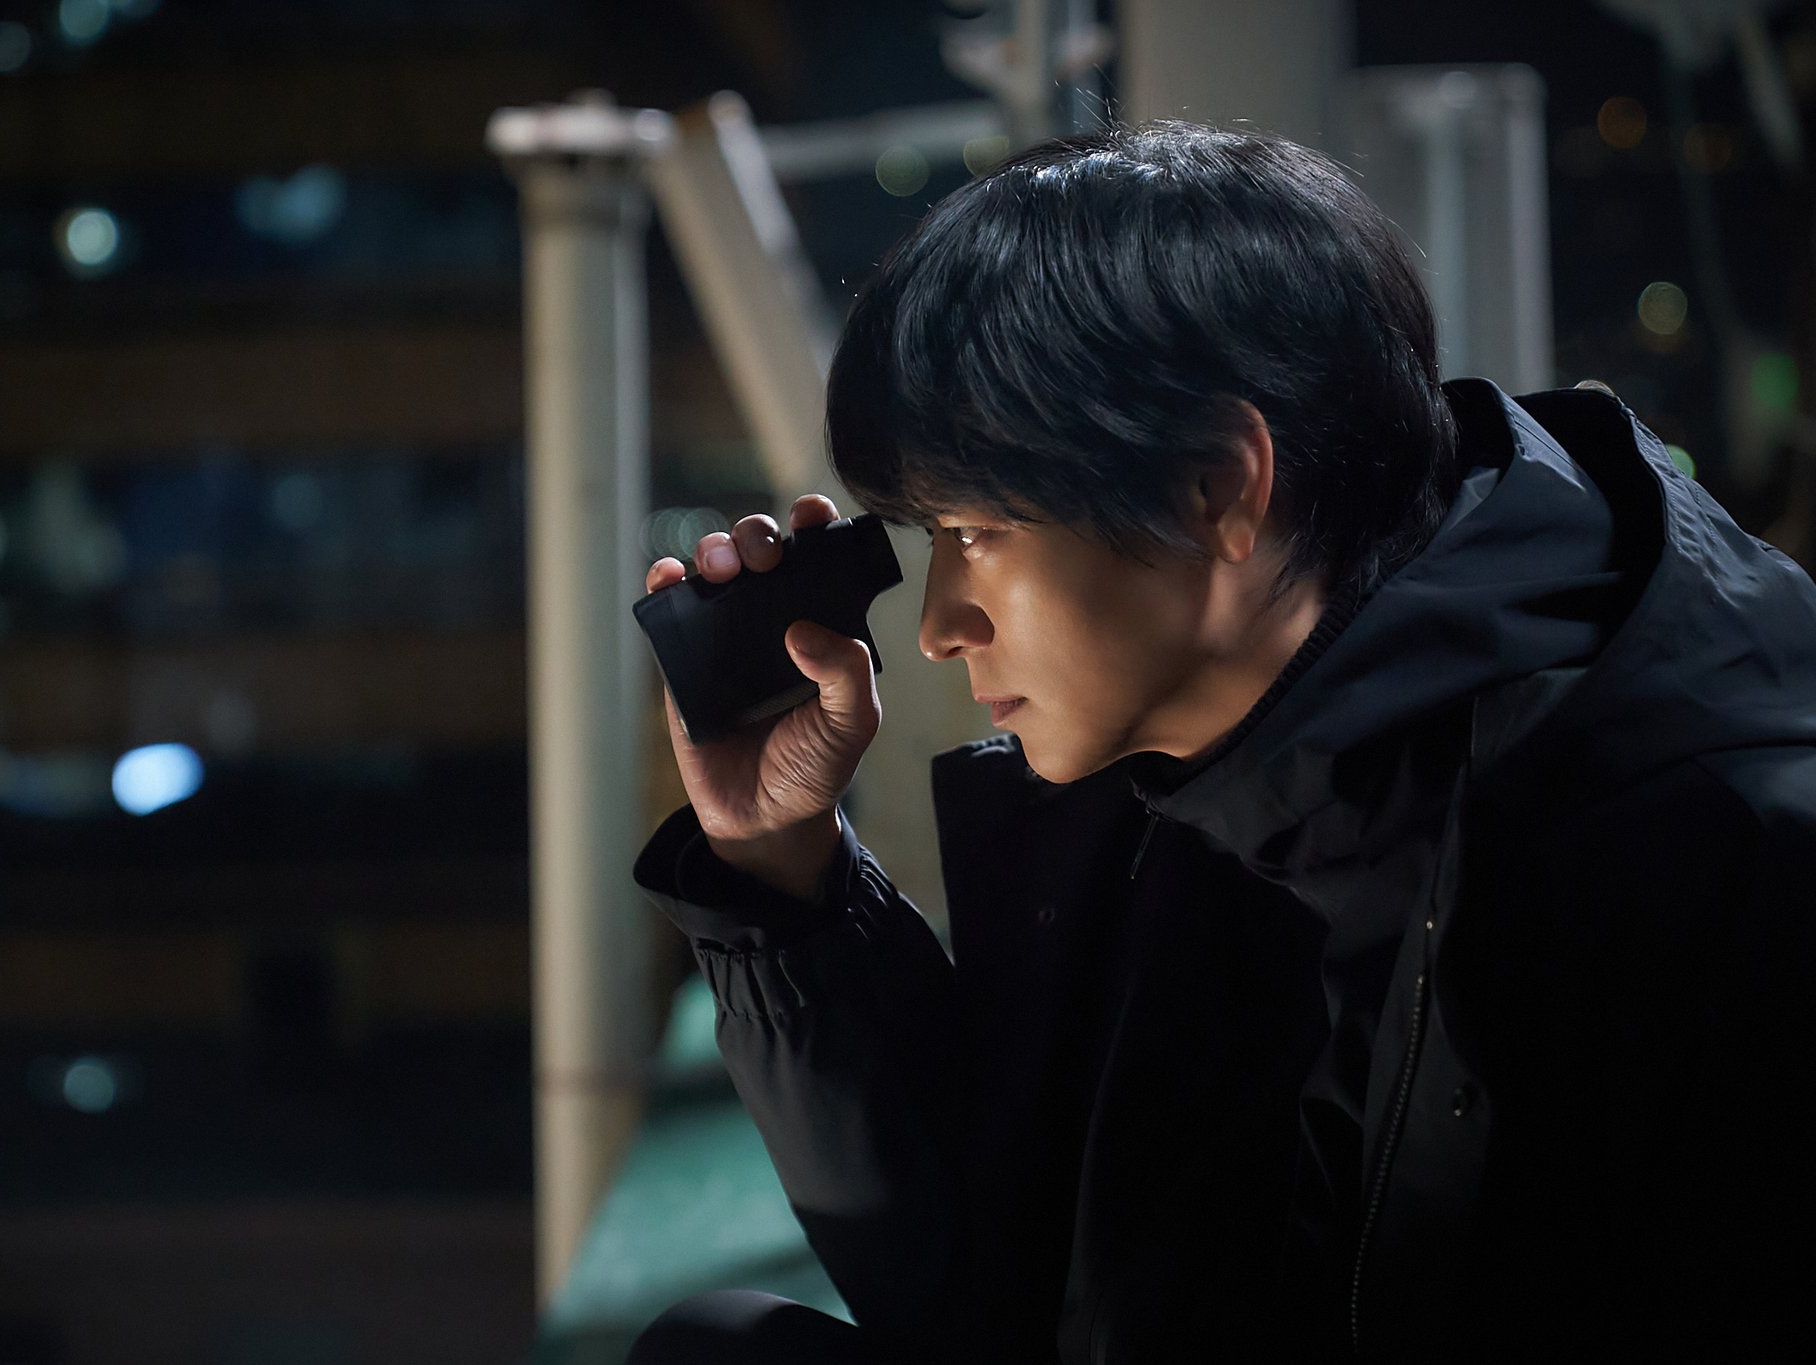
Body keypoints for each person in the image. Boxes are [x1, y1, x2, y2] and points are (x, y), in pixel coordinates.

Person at [623, 122, 1816, 1363]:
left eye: (976, 533)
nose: (936, 627)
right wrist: (775, 864)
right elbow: (994, 1294)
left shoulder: (1712, 871)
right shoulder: (1203, 768)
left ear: (1219, 487)